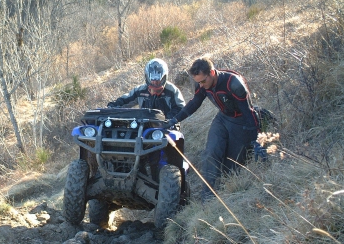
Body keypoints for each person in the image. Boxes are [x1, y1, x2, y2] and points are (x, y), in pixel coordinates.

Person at [165, 57, 260, 202]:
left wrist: (257, 140)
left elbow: (249, 112)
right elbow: (194, 103)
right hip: (222, 118)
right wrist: (175, 119)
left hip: (240, 121)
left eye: (203, 81)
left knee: (232, 168)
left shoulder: (233, 83)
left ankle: (226, 192)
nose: (201, 86)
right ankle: (207, 196)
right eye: (198, 82)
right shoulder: (202, 85)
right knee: (210, 153)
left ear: (212, 73)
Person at [107, 58, 186, 120]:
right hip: (145, 126)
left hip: (168, 126)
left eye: (158, 80)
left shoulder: (172, 90)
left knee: (175, 137)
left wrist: (166, 119)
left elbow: (180, 107)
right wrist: (113, 106)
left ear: (164, 77)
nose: (155, 82)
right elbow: (126, 99)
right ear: (147, 77)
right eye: (152, 80)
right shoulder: (140, 90)